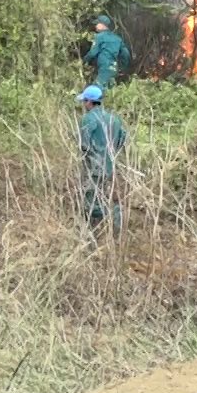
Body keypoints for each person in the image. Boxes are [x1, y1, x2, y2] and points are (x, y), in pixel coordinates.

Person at [76, 85, 126, 235]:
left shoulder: (88, 119)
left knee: (89, 202)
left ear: (89, 102)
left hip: (94, 166)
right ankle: (99, 228)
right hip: (109, 166)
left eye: (84, 101)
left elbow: (84, 144)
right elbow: (123, 138)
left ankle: (114, 215)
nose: (84, 105)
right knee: (100, 195)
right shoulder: (114, 119)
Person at [82, 15, 132, 91]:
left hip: (104, 67)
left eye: (97, 24)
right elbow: (126, 54)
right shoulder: (117, 38)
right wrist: (122, 67)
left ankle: (96, 103)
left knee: (97, 89)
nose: (95, 26)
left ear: (102, 25)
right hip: (114, 68)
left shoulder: (99, 37)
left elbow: (92, 53)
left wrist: (83, 61)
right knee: (110, 90)